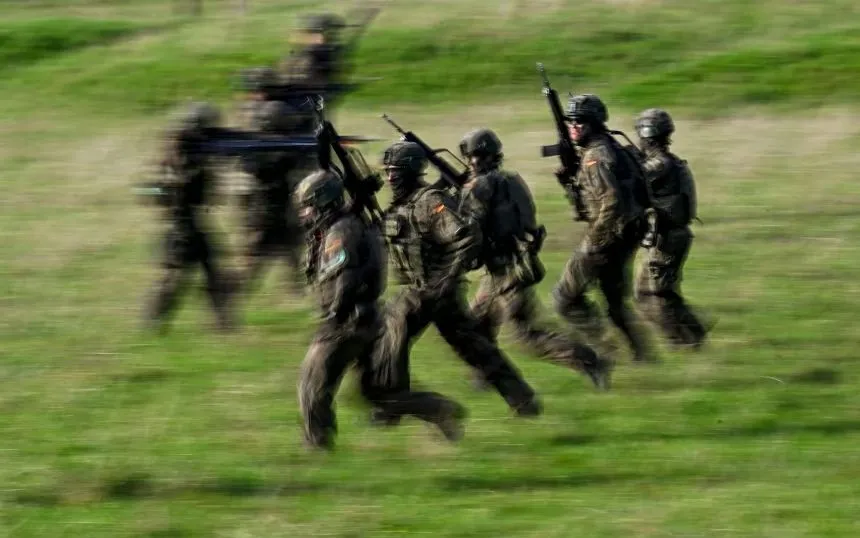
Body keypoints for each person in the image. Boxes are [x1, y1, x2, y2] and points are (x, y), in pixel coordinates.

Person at [295, 169, 466, 450]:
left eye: (310, 207)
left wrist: (335, 315)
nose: (305, 215)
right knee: (378, 393)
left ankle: (317, 446)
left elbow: (346, 278)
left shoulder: (341, 231)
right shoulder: (351, 224)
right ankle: (438, 409)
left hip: (347, 322)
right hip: (369, 320)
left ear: (325, 203)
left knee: (311, 385)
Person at [376, 141, 542, 417]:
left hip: (433, 291)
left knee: (393, 335)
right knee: (473, 347)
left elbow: (466, 237)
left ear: (411, 170)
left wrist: (446, 277)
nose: (390, 177)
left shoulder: (429, 202)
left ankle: (393, 405)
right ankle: (523, 399)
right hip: (427, 290)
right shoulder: (402, 203)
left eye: (395, 171)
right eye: (388, 171)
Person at [457, 128, 613, 389]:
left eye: (470, 157)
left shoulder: (479, 187)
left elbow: (469, 228)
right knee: (475, 325)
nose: (468, 163)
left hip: (506, 272)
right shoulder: (511, 180)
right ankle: (486, 375)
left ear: (477, 158)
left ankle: (591, 361)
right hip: (512, 264)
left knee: (526, 335)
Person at [551, 94, 654, 362]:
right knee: (615, 304)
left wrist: (595, 240)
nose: (573, 126)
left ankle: (605, 350)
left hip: (608, 237)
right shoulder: (612, 147)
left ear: (594, 123)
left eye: (580, 122)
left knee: (564, 299)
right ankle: (643, 356)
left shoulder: (595, 157)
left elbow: (611, 201)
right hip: (628, 233)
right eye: (571, 121)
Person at [142, 102, 237, 333]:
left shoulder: (184, 149)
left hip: (193, 222)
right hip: (181, 225)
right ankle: (152, 322)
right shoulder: (181, 152)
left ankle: (223, 325)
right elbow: (166, 187)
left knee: (213, 274)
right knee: (174, 277)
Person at [632, 108, 709, 349]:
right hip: (669, 236)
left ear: (647, 137)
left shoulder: (659, 165)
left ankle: (688, 342)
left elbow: (631, 180)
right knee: (653, 293)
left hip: (667, 239)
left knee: (656, 295)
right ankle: (692, 336)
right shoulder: (670, 162)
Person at [237, 100, 313, 296]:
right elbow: (254, 169)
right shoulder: (258, 148)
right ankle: (239, 291)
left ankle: (297, 292)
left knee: (292, 252)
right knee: (255, 258)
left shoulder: (282, 145)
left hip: (283, 209)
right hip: (264, 211)